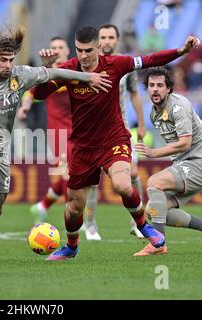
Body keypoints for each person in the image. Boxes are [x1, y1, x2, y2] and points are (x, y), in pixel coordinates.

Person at [31, 26, 199, 260]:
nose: (83, 56)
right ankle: (71, 247)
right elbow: (38, 94)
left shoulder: (115, 64)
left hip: (113, 139)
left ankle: (143, 226)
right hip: (83, 147)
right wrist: (47, 68)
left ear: (98, 47)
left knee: (122, 183)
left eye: (88, 50)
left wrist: (181, 51)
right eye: (79, 50)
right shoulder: (68, 69)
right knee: (74, 207)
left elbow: (150, 60)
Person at [0, 24, 112, 254]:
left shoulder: (20, 76)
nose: (8, 65)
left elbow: (55, 74)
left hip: (1, 148)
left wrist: (87, 77)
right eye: (3, 60)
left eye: (11, 60)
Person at [82, 23, 147, 241]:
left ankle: (136, 223)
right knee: (92, 180)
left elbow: (134, 94)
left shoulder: (125, 65)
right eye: (104, 37)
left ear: (117, 39)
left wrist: (142, 124)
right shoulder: (88, 64)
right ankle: (90, 225)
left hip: (120, 128)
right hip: (93, 130)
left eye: (111, 37)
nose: (107, 41)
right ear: (98, 41)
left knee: (133, 172)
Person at [134, 67, 202, 256]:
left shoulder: (179, 106)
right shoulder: (154, 113)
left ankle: (158, 244)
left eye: (160, 85)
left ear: (169, 88)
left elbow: (185, 143)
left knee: (154, 181)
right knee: (154, 210)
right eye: (151, 85)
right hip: (185, 163)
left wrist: (153, 153)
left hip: (198, 161)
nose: (155, 89)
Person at [17, 36, 72, 224]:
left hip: (82, 132)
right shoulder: (47, 76)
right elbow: (30, 93)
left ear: (67, 51)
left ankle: (43, 205)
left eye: (60, 46)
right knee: (69, 174)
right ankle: (74, 215)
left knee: (79, 176)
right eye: (53, 47)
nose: (56, 50)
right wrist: (25, 107)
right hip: (59, 135)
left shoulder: (75, 72)